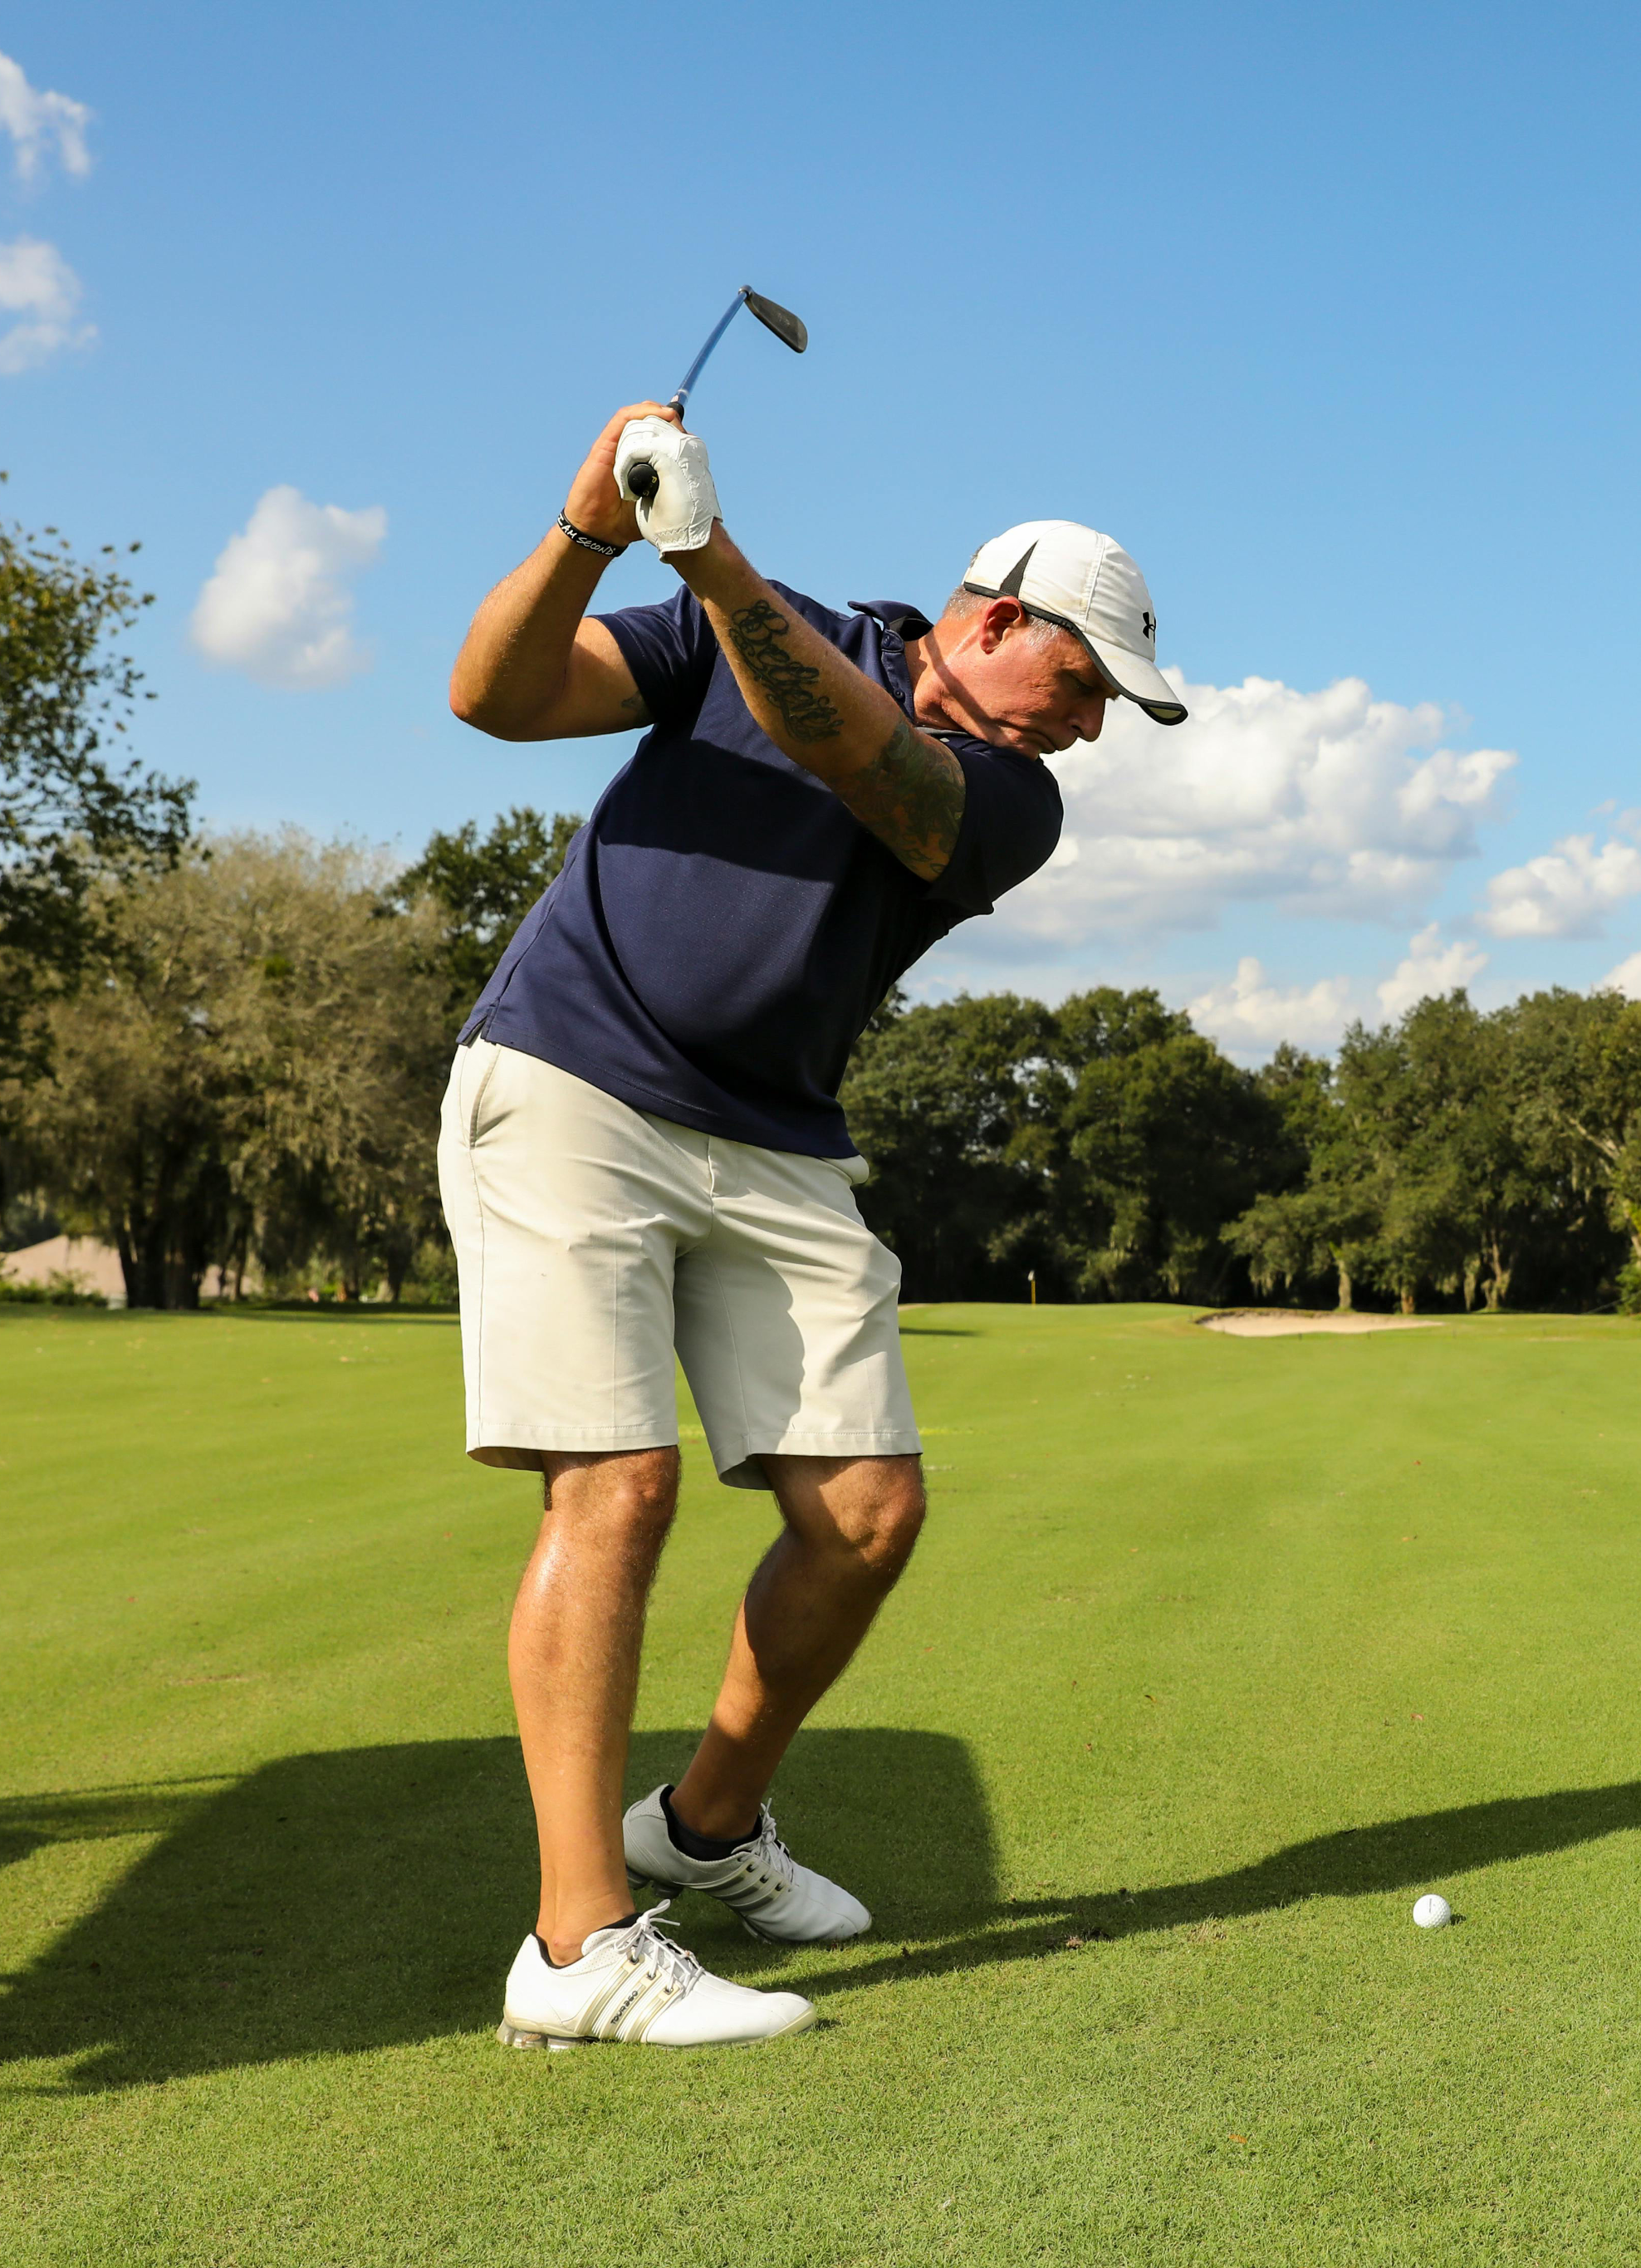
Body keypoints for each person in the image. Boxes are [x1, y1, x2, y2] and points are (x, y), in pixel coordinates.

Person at [439, 401, 1183, 2049]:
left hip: (773, 1136)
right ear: (993, 624)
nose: (1088, 732)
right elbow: (491, 698)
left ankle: (701, 1830)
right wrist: (584, 531)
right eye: (1081, 689)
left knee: (866, 1512)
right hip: (573, 1075)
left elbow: (876, 770)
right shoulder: (730, 635)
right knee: (615, 1484)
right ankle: (574, 1954)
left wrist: (707, 555)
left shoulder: (1007, 799)